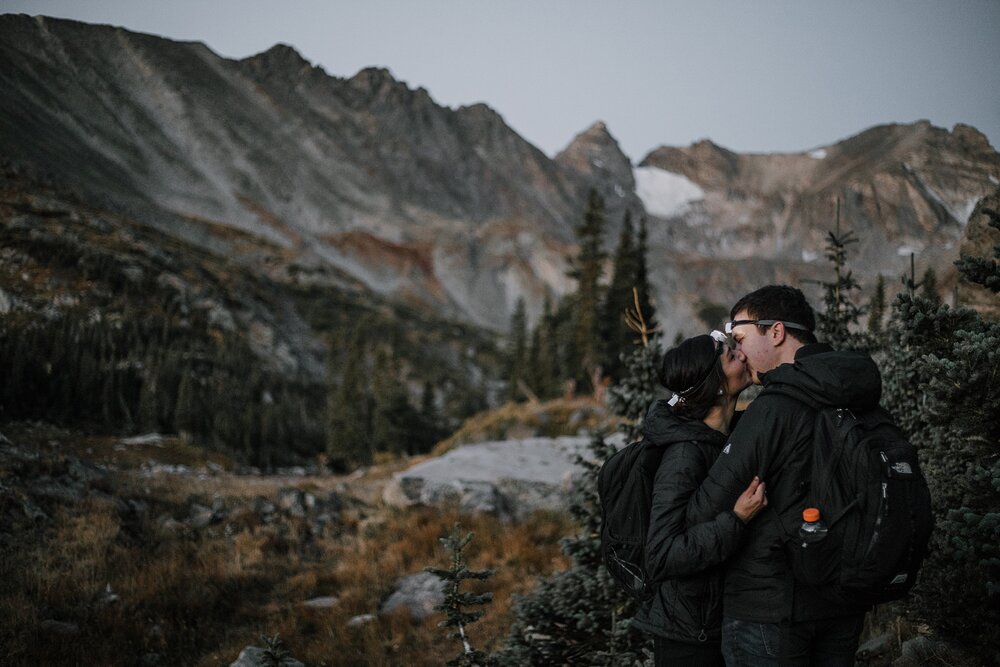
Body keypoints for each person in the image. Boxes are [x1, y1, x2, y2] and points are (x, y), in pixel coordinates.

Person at [687, 285, 880, 666]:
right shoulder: (857, 395)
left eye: (739, 338)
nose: (737, 352)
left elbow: (703, 511)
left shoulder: (773, 408)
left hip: (768, 609)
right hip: (842, 603)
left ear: (776, 332)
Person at [631, 331, 768, 666]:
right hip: (688, 636)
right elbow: (661, 555)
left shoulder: (730, 436)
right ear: (717, 385)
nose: (742, 356)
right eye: (731, 356)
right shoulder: (684, 457)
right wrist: (736, 520)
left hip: (718, 624)